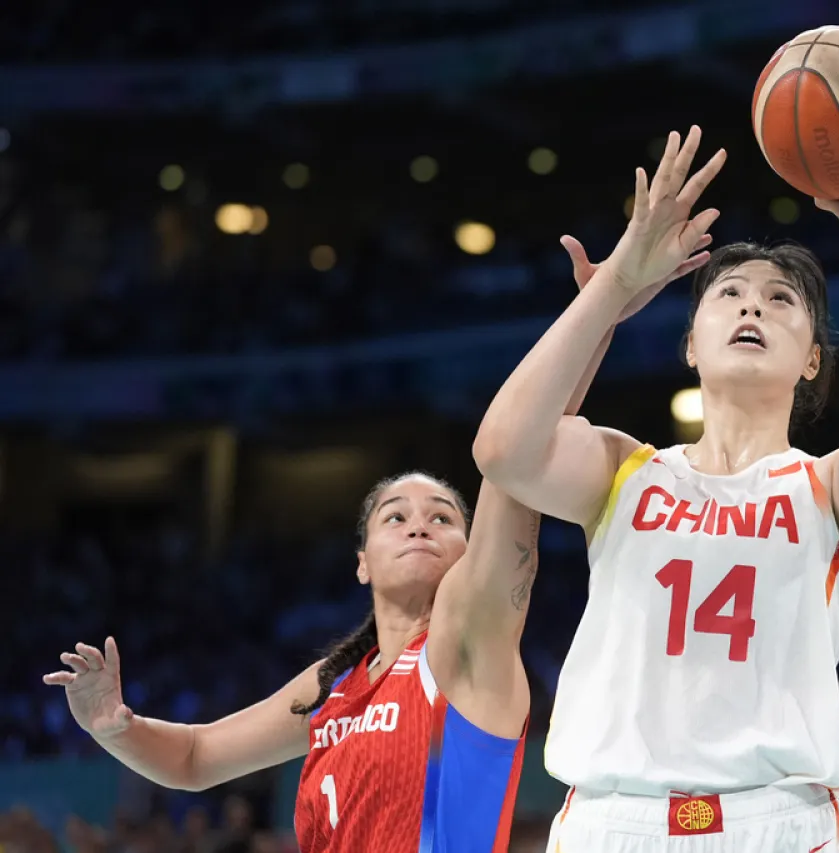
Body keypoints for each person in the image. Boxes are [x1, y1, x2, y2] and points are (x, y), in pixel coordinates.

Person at [38, 287, 716, 851]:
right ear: (361, 562)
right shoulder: (334, 682)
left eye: (444, 516)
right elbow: (193, 758)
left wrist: (603, 304)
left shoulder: (469, 641)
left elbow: (522, 451)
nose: (420, 522)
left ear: (468, 551)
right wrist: (115, 726)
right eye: (396, 515)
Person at [473, 119, 839, 852]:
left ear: (813, 360)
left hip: (779, 822)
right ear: (690, 344)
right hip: (609, 821)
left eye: (782, 299)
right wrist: (615, 287)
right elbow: (504, 449)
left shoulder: (826, 489)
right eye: (730, 294)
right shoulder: (625, 470)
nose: (753, 305)